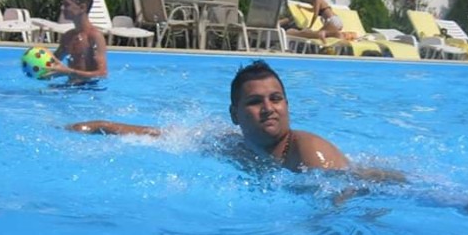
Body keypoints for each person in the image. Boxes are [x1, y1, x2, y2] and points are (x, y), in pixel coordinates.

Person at [67, 59, 352, 173]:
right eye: (255, 101)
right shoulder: (234, 144)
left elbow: (347, 199)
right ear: (235, 115)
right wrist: (103, 125)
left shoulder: (309, 154)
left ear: (287, 105)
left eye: (276, 99)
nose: (268, 108)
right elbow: (165, 137)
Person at [43, 0, 108, 83]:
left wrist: (68, 72)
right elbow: (52, 63)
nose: (62, 8)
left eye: (67, 5)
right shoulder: (67, 37)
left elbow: (102, 74)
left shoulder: (94, 36)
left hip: (90, 89)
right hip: (70, 87)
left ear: (82, 7)